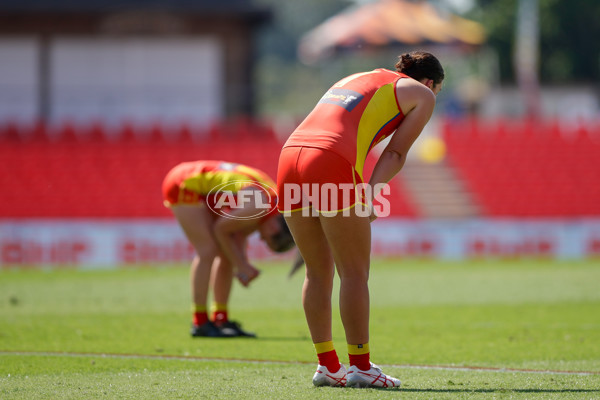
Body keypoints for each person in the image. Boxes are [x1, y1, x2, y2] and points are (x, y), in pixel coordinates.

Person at [277, 51, 444, 387]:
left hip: (289, 157)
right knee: (353, 272)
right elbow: (395, 152)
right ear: (430, 82)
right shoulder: (422, 94)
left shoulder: (355, 77)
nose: (433, 96)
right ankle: (361, 367)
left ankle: (327, 366)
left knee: (317, 271)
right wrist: (369, 194)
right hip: (328, 160)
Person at [162, 160, 295, 338]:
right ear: (274, 229)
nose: (261, 238)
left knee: (225, 253)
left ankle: (220, 319)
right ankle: (200, 322)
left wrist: (241, 263)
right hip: (185, 182)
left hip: (204, 188)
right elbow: (220, 230)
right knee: (207, 251)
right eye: (266, 240)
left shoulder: (270, 206)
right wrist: (242, 266)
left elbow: (235, 238)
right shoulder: (258, 206)